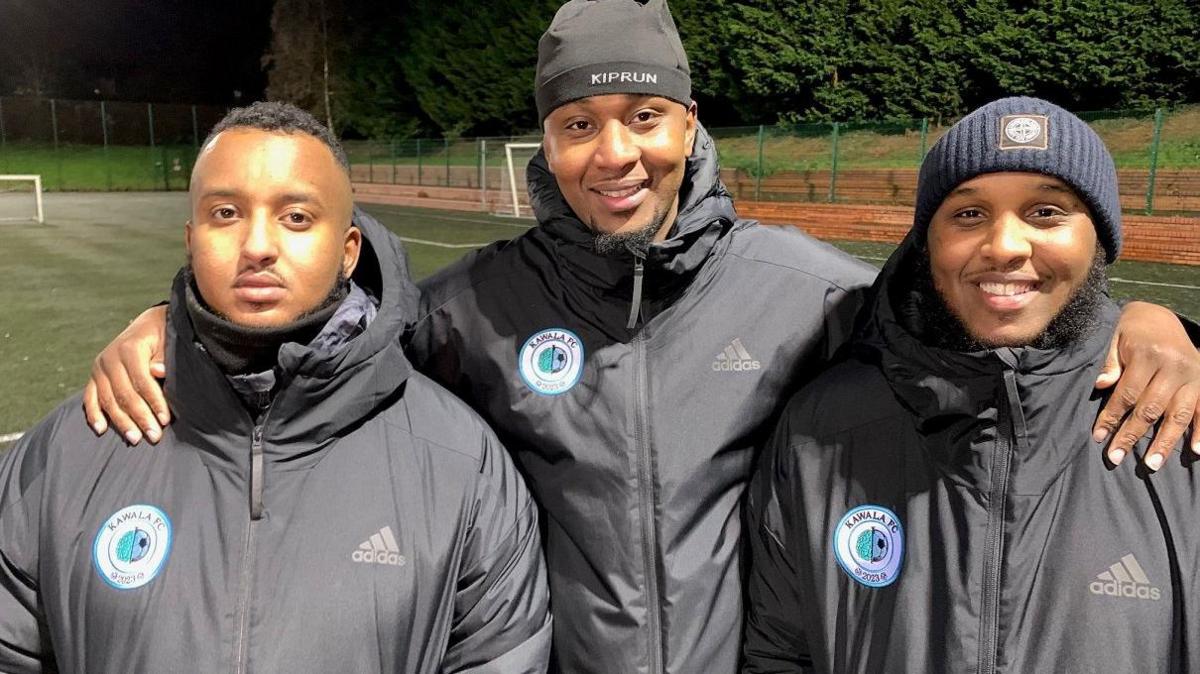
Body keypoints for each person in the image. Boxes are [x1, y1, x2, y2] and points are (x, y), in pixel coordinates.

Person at [79, 3, 1200, 672]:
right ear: (548, 141)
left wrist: (1144, 319)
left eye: (643, 118)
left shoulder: (804, 287)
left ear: (688, 124)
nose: (613, 154)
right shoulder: (475, 308)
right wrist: (171, 320)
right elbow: (334, 323)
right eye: (577, 125)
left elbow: (961, 323)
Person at [0, 102, 551, 673]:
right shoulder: (70, 449)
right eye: (226, 212)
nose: (257, 245)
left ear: (348, 252)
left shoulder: (462, 463)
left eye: (295, 218)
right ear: (191, 239)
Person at [743, 97, 1200, 673]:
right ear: (925, 243)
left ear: (1099, 240)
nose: (1004, 246)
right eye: (968, 215)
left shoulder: (1180, 419)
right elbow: (781, 651)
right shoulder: (823, 425)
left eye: (1046, 212)